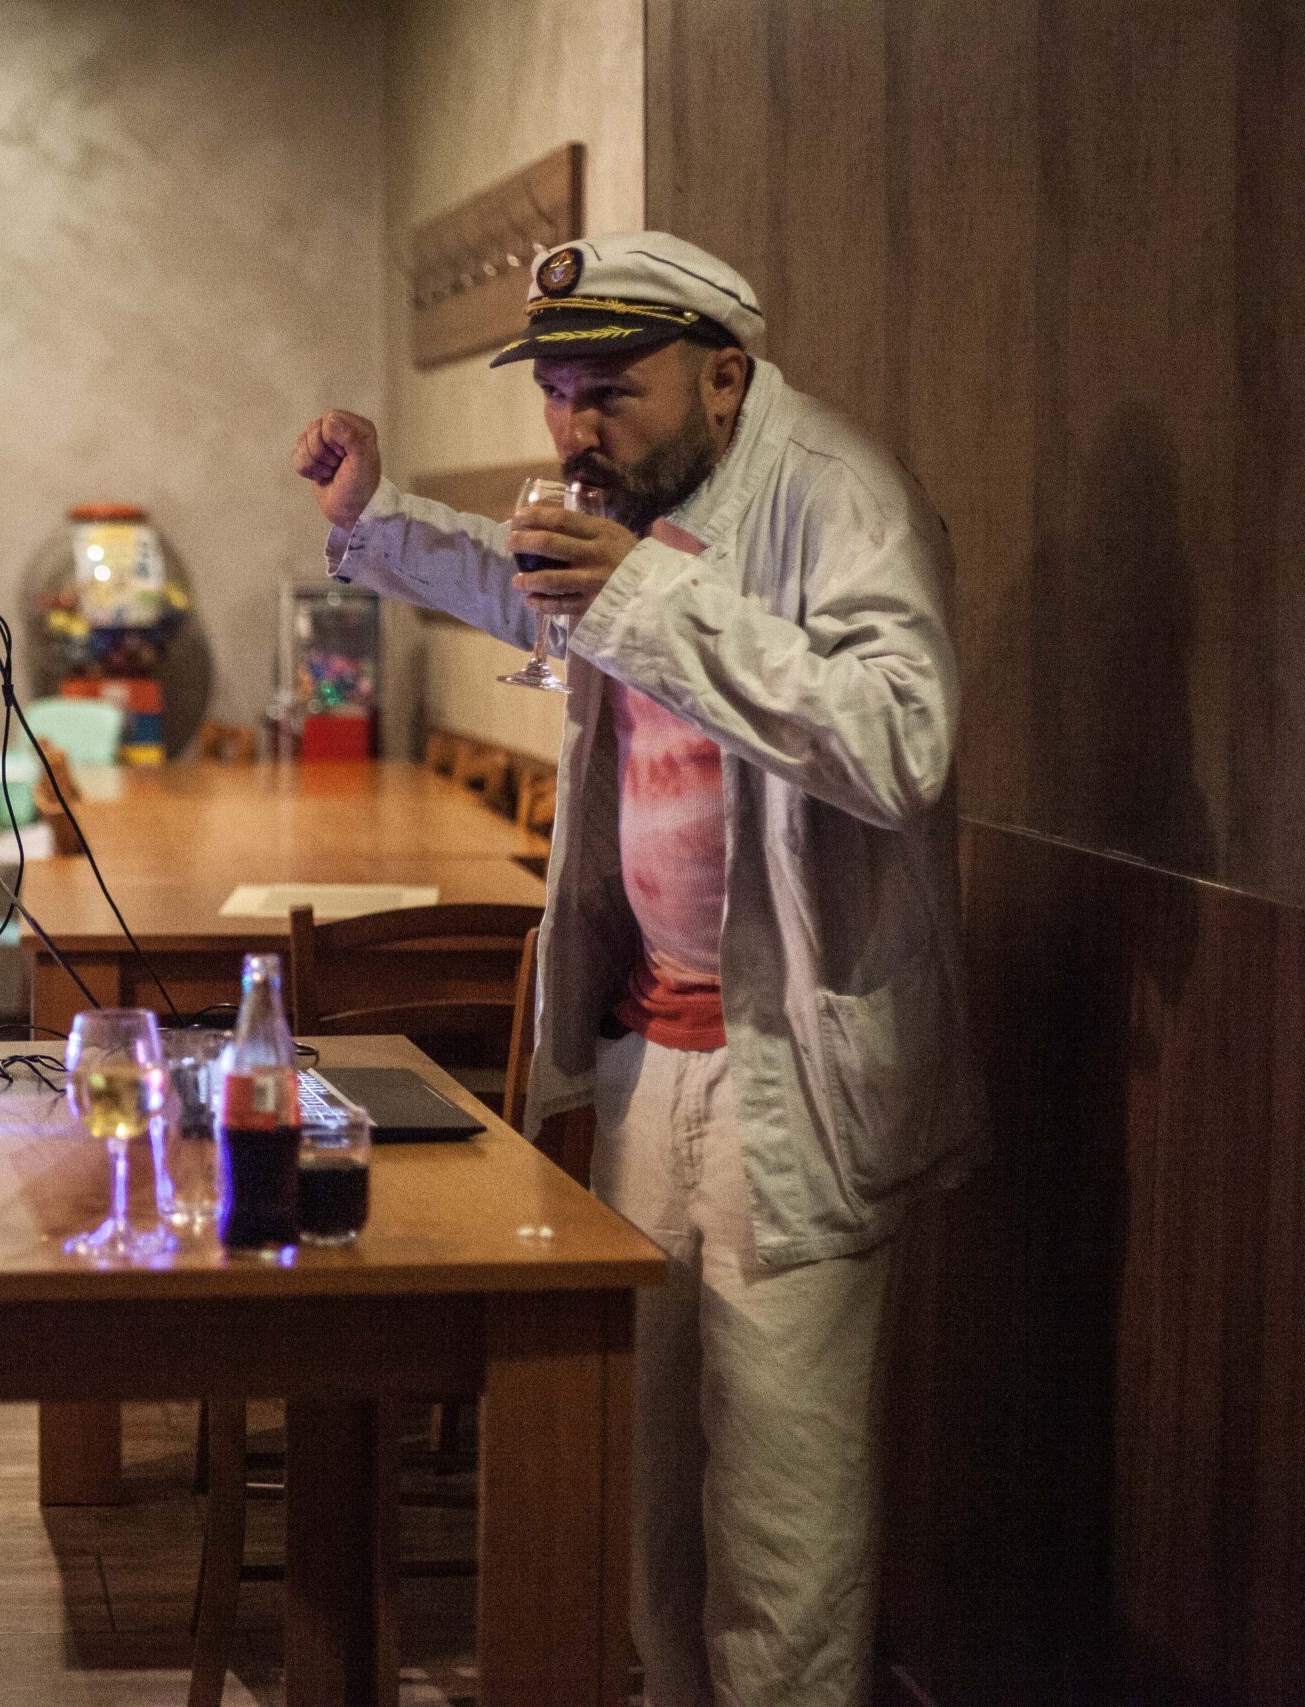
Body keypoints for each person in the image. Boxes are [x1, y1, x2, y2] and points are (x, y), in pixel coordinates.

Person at [292, 231, 978, 1706]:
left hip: (796, 1080)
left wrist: (647, 600)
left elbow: (902, 740)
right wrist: (376, 521)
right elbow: (527, 584)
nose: (575, 428)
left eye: (612, 391)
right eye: (555, 392)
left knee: (781, 1524)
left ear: (723, 377)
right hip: (648, 1053)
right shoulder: (640, 503)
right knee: (647, 1490)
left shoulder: (838, 494)